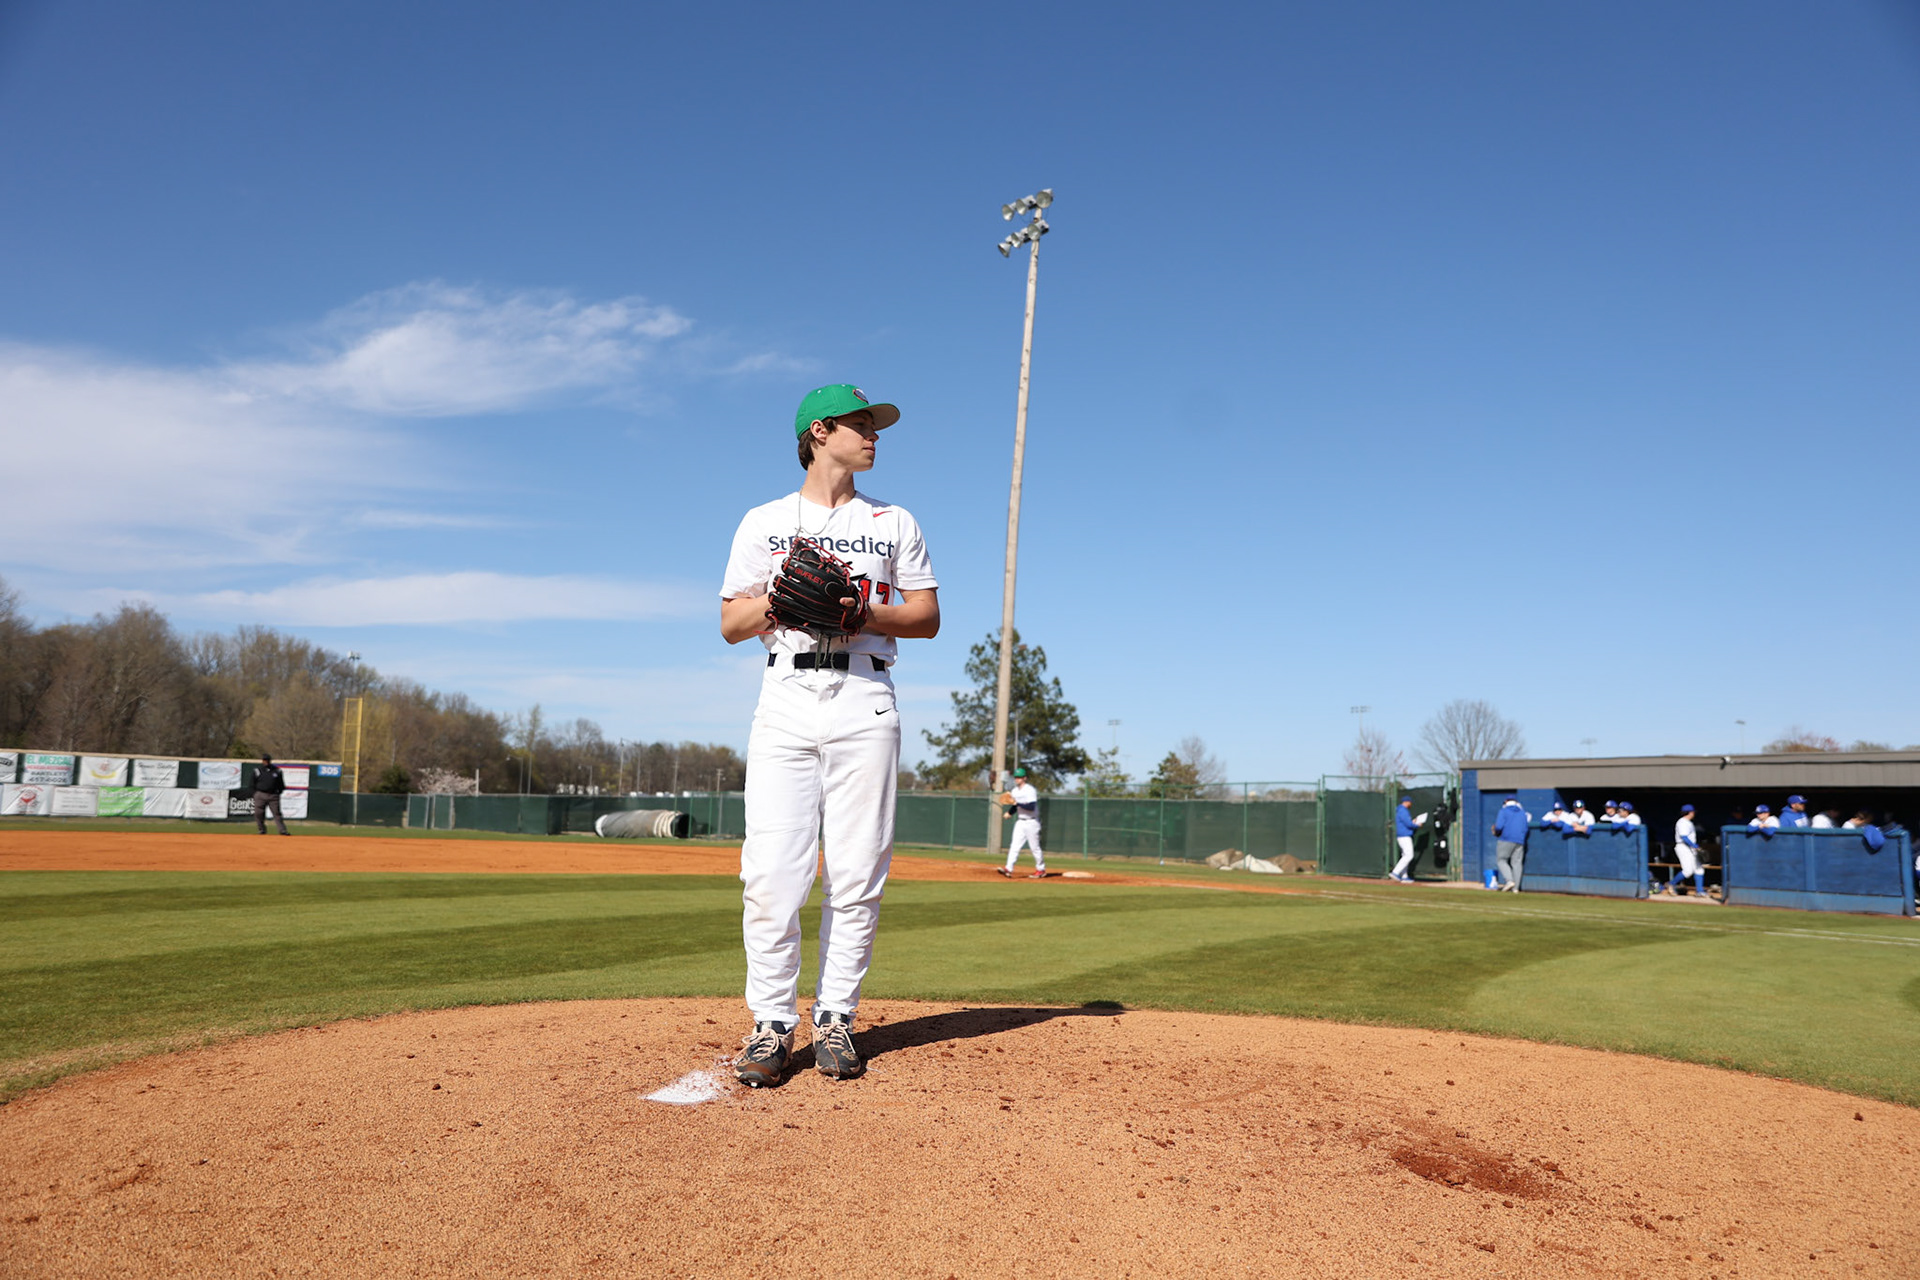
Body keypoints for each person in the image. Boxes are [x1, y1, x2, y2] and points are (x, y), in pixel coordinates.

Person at [719, 384, 940, 1088]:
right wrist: (780, 600)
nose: (875, 434)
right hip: (785, 694)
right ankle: (771, 1025)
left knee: (856, 868)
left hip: (865, 696)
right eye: (862, 424)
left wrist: (863, 608)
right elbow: (730, 624)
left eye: (876, 426)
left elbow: (927, 615)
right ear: (820, 431)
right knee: (772, 873)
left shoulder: (892, 519)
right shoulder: (764, 520)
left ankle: (837, 1018)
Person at [999, 767, 1045, 879]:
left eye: (1019, 777)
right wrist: (1010, 812)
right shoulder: (1014, 791)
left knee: (1034, 847)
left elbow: (1031, 806)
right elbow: (1015, 806)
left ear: (1025, 778)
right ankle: (1008, 869)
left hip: (1032, 822)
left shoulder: (1030, 790)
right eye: (1016, 777)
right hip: (1020, 822)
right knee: (1014, 846)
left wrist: (1016, 802)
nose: (1017, 779)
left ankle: (1041, 869)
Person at [1491, 797, 1530, 891]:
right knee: (1517, 863)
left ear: (1506, 802)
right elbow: (1525, 828)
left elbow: (1499, 826)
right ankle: (1516, 888)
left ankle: (1509, 880)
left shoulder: (1503, 811)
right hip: (1520, 840)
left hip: (1506, 839)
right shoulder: (1522, 812)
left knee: (1501, 860)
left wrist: (1496, 830)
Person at [1389, 796, 1429, 883]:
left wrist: (1413, 822)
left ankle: (1404, 876)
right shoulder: (1403, 810)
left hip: (1403, 836)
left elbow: (1407, 822)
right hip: (1404, 836)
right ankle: (1395, 872)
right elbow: (1408, 824)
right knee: (1409, 855)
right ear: (1407, 802)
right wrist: (1417, 825)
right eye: (1410, 802)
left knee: (1405, 855)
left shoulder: (1401, 810)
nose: (1411, 804)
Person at [1671, 803, 1706, 897]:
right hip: (1683, 847)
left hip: (1690, 847)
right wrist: (1695, 846)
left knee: (1699, 869)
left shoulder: (1689, 822)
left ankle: (1700, 891)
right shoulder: (1682, 822)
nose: (1693, 814)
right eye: (1692, 812)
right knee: (1688, 871)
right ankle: (1671, 884)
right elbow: (1684, 837)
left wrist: (1694, 846)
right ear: (1689, 812)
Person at [252, 753, 289, 836]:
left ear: (270, 761)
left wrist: (278, 792)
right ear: (262, 761)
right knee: (258, 813)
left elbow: (281, 784)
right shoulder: (257, 771)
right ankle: (261, 830)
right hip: (260, 794)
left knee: (277, 813)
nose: (266, 762)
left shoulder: (277, 771)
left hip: (273, 795)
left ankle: (282, 830)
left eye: (267, 760)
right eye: (264, 760)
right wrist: (255, 794)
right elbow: (252, 784)